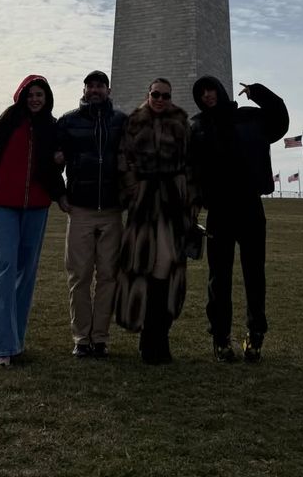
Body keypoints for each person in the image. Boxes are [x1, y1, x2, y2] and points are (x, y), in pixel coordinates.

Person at [190, 76, 289, 363]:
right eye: (201, 93)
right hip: (219, 211)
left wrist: (258, 92)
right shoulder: (196, 126)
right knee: (218, 278)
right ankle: (220, 338)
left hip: (250, 206)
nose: (207, 95)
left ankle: (256, 335)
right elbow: (192, 168)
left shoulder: (249, 117)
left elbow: (280, 119)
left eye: (210, 89)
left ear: (220, 90)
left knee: (254, 274)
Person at [0, 74, 67, 367]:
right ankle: (0, 345)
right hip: (4, 206)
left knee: (26, 274)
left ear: (46, 98)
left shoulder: (52, 127)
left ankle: (15, 341)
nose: (35, 99)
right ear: (21, 96)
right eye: (31, 94)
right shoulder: (6, 123)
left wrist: (61, 189)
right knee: (2, 269)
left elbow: (53, 170)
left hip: (36, 206)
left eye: (40, 95)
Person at [115, 78, 197, 364]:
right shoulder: (134, 122)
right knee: (143, 268)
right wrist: (131, 189)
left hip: (173, 203)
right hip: (144, 204)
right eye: (155, 94)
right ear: (147, 94)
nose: (160, 99)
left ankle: (159, 338)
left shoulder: (181, 124)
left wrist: (189, 196)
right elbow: (123, 159)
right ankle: (148, 339)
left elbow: (191, 163)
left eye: (165, 95)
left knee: (166, 269)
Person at [56, 69, 128, 359]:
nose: (95, 90)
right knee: (79, 276)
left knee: (109, 276)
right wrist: (59, 193)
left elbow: (133, 158)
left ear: (108, 90)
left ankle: (100, 338)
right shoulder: (68, 121)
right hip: (81, 209)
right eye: (90, 86)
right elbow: (53, 162)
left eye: (100, 86)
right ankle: (81, 338)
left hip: (112, 210)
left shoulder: (122, 122)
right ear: (84, 90)